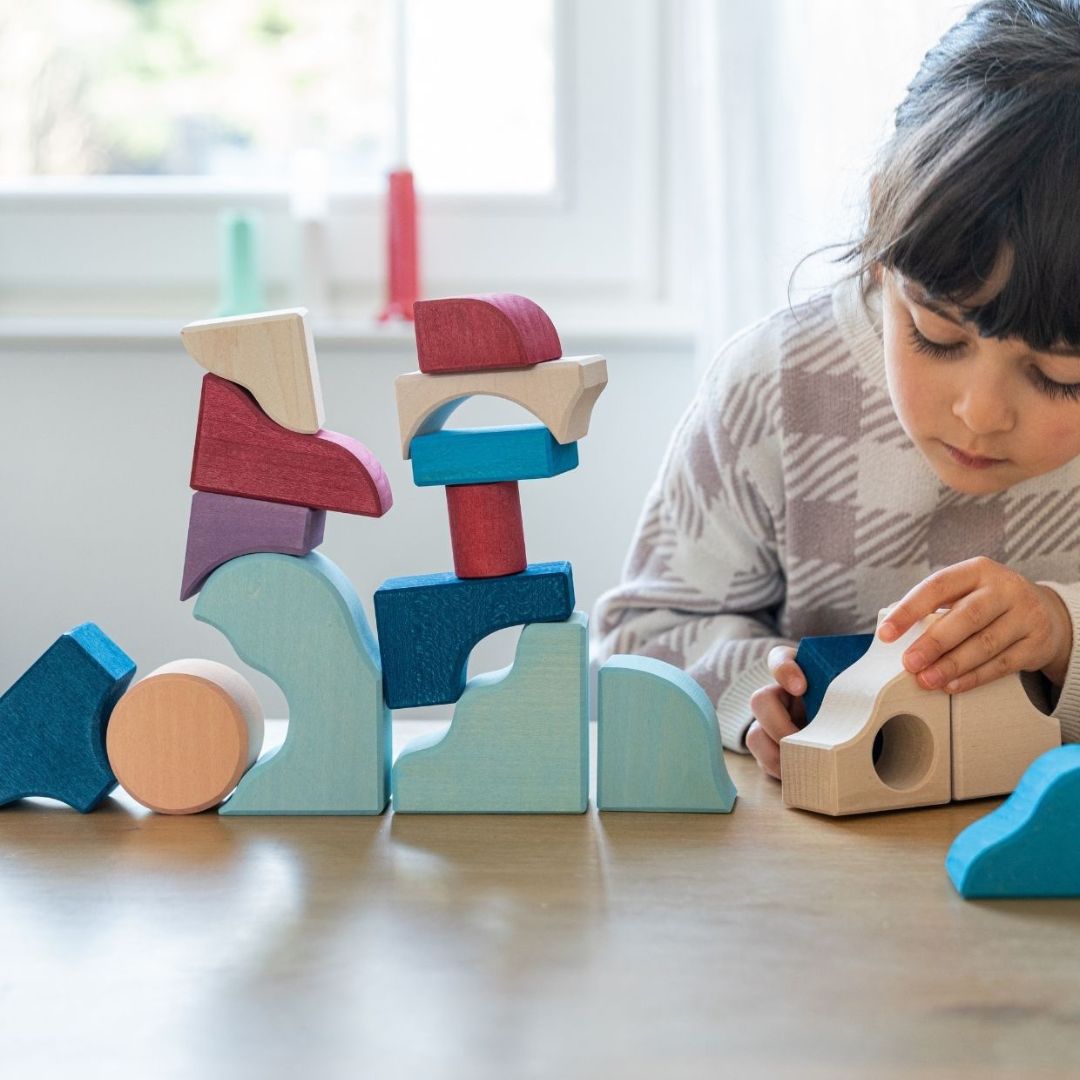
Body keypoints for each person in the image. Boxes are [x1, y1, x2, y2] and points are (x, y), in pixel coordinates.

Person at [591, 0, 1080, 780]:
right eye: (938, 335)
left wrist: (1061, 634)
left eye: (1060, 377)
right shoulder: (775, 385)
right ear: (881, 236)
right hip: (815, 841)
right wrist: (754, 691)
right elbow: (639, 637)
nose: (981, 413)